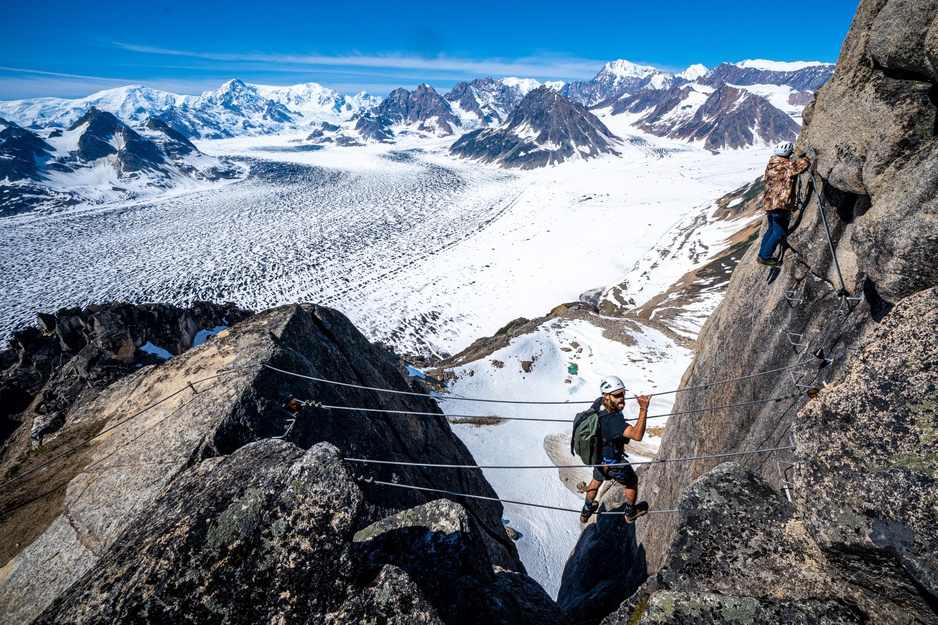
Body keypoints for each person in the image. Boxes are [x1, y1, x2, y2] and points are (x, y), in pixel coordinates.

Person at [579, 375, 652, 524]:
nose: (621, 398)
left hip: (599, 458)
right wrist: (643, 408)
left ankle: (586, 510)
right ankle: (630, 512)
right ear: (606, 395)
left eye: (623, 394)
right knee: (632, 481)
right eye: (617, 395)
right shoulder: (614, 421)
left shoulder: (598, 405)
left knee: (596, 480)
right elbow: (637, 435)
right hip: (613, 461)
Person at [757, 141, 811, 266]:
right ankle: (766, 257)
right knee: (779, 232)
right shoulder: (787, 166)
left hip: (769, 203)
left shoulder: (771, 164)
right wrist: (806, 158)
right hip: (780, 203)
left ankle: (762, 254)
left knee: (771, 229)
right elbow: (802, 165)